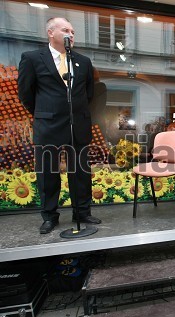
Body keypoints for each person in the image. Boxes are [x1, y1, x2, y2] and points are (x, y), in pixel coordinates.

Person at [18, 17, 101, 234]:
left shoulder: (83, 62)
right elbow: (26, 94)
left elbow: (88, 94)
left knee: (81, 172)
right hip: (49, 126)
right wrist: (45, 113)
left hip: (78, 125)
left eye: (73, 31)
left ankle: (82, 212)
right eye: (66, 30)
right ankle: (49, 216)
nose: (71, 34)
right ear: (50, 33)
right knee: (47, 173)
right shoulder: (32, 58)